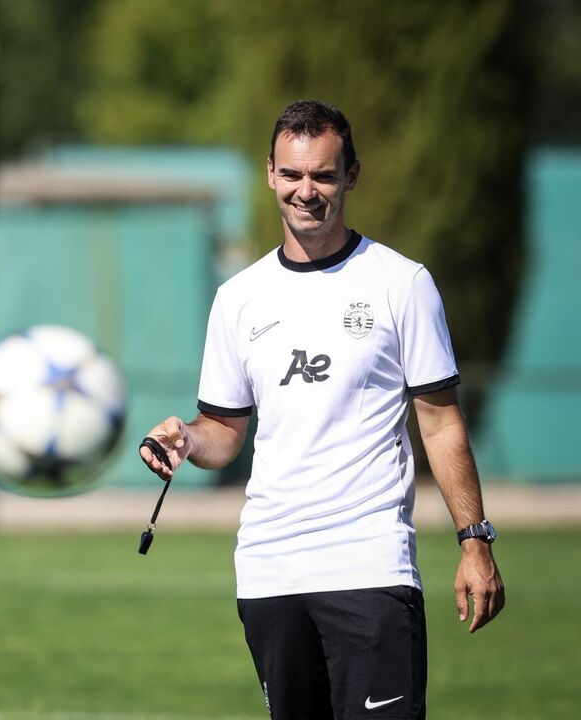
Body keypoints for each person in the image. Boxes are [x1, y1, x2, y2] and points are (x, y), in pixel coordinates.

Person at [139, 100, 505, 719]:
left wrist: (475, 540)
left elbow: (440, 424)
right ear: (270, 174)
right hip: (269, 574)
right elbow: (224, 430)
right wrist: (185, 441)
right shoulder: (238, 299)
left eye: (323, 175)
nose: (305, 191)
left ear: (351, 176)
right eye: (292, 174)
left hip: (369, 566)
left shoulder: (402, 283)